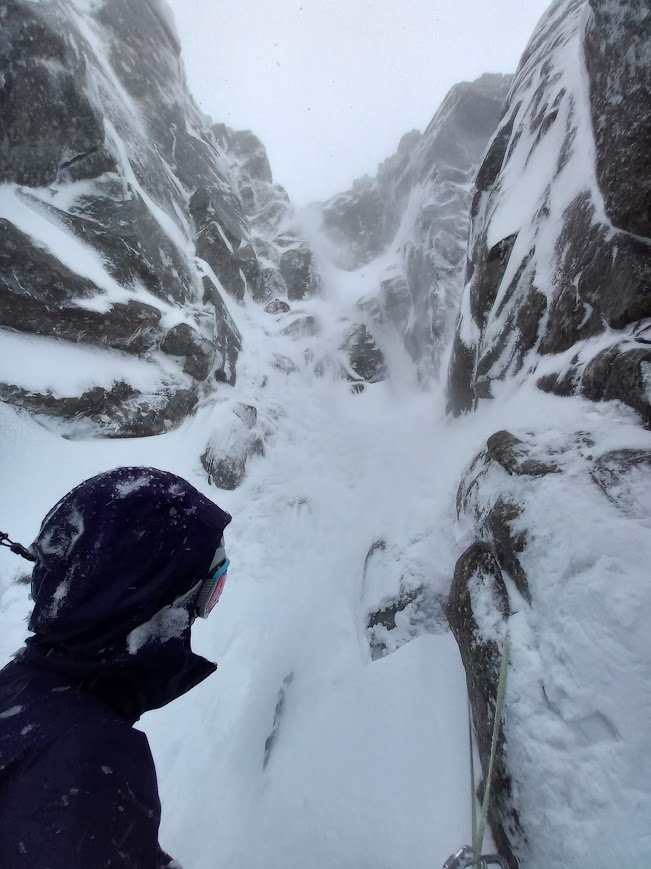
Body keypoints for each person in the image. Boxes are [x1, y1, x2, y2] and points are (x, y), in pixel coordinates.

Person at [0, 466, 232, 869]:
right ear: (150, 601)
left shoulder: (20, 691)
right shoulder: (86, 769)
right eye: (212, 588)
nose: (203, 612)